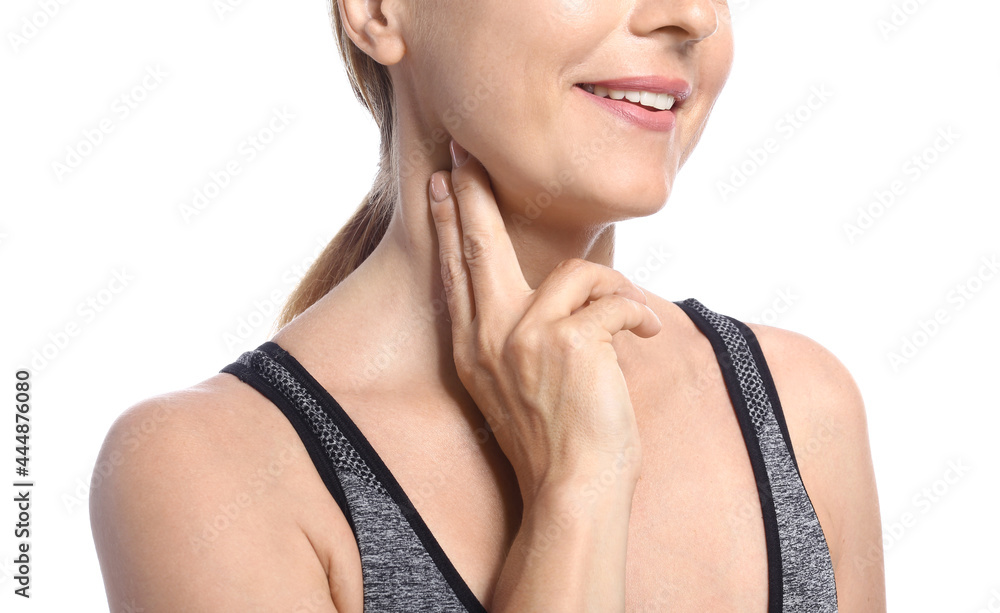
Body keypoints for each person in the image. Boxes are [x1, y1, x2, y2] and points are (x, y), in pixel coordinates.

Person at [90, 0, 886, 610]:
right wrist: (577, 488)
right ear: (376, 10)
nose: (692, 15)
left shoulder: (802, 409)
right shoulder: (204, 472)